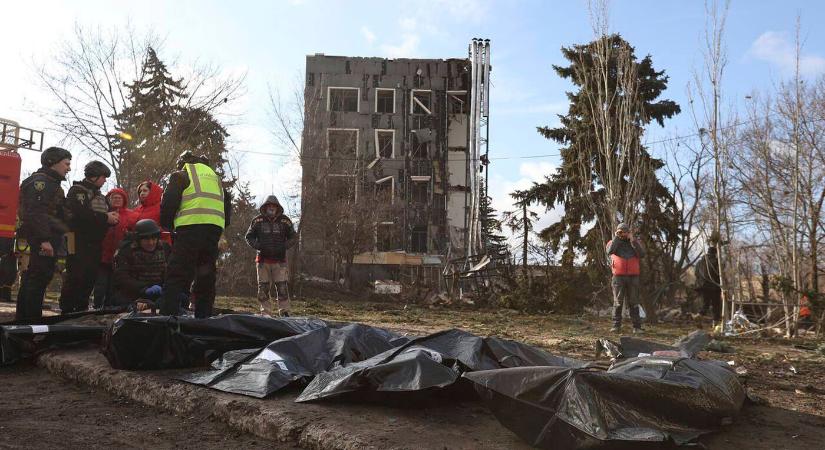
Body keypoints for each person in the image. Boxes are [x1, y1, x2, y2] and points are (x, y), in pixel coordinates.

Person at [158, 151, 231, 318]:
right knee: (206, 274)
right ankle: (203, 318)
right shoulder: (216, 180)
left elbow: (169, 202)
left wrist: (168, 225)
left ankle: (166, 317)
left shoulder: (182, 175)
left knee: (176, 273)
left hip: (189, 228)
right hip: (213, 230)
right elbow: (227, 211)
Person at [15, 147, 72, 320]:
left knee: (35, 278)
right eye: (66, 164)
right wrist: (44, 240)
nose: (68, 168)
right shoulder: (42, 182)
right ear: (52, 162)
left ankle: (25, 322)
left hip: (47, 236)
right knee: (37, 279)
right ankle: (30, 324)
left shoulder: (50, 182)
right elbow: (36, 212)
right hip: (43, 238)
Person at [58, 161, 120, 314]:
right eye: (103, 177)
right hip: (78, 241)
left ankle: (81, 309)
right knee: (76, 276)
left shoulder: (101, 196)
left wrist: (112, 218)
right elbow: (80, 215)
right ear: (94, 176)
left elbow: (105, 216)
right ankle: (67, 310)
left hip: (96, 244)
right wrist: (105, 218)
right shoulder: (78, 191)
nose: (105, 180)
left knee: (89, 278)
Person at [245, 195, 296, 317]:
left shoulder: (285, 221)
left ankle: (284, 312)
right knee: (263, 289)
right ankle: (266, 312)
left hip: (280, 261)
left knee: (282, 288)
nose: (271, 208)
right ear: (265, 207)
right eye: (269, 206)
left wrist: (284, 246)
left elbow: (293, 237)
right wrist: (258, 246)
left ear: (277, 207)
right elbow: (248, 236)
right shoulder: (257, 221)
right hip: (262, 261)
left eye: (274, 206)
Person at [112, 219, 171, 309]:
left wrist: (165, 288)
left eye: (154, 238)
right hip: (133, 293)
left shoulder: (165, 249)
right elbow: (121, 277)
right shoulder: (127, 250)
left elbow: (172, 273)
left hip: (159, 292)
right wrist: (143, 288)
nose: (151, 243)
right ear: (139, 240)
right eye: (146, 240)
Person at [94, 188, 134, 308]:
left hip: (120, 259)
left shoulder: (131, 215)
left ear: (124, 200)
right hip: (102, 257)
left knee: (114, 285)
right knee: (100, 285)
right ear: (108, 199)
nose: (116, 199)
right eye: (113, 197)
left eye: (119, 197)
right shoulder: (102, 214)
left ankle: (109, 308)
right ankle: (97, 307)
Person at [606, 223, 645, 333]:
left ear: (629, 232)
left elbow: (642, 254)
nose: (622, 233)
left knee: (634, 301)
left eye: (625, 231)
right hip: (618, 277)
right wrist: (616, 238)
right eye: (620, 231)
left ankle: (637, 327)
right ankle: (616, 326)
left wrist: (632, 240)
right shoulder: (612, 242)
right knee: (618, 302)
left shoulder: (635, 243)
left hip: (633, 277)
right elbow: (609, 251)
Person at [695, 245, 722, 326]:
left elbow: (696, 273)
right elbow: (719, 274)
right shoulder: (717, 261)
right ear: (715, 253)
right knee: (716, 305)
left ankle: (699, 316)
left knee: (705, 304)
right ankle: (715, 324)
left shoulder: (699, 262)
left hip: (702, 286)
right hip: (714, 287)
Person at [0, 237, 16, 302]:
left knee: (11, 274)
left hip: (10, 250)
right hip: (5, 249)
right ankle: (3, 296)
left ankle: (6, 296)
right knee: (4, 273)